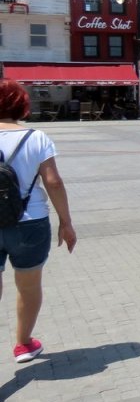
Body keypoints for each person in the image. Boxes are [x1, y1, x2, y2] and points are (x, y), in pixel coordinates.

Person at [0, 79, 77, 363]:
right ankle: (23, 344)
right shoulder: (36, 138)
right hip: (30, 221)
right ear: (21, 104)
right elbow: (53, 183)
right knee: (28, 285)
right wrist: (66, 223)